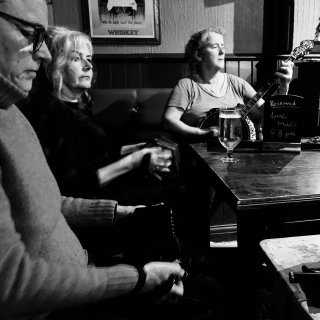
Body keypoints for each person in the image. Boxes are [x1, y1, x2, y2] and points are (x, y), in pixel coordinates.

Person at [0, 1, 217, 319]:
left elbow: (50, 202)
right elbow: (14, 286)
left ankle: (189, 262)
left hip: (86, 264)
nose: (43, 53)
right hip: (64, 298)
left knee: (205, 282)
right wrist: (137, 279)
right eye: (30, 33)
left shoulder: (12, 114)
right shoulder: (44, 110)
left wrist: (123, 213)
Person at [19, 26, 213, 262]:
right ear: (54, 65)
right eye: (76, 59)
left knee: (179, 178)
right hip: (92, 199)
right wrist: (134, 161)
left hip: (104, 184)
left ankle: (185, 257)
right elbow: (75, 185)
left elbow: (93, 154)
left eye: (89, 59)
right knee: (186, 189)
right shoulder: (49, 111)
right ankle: (190, 260)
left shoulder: (73, 105)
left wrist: (137, 150)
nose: (89, 66)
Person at [162, 27, 294, 142]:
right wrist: (203, 133)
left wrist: (284, 86)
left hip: (237, 157)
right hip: (199, 157)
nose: (222, 52)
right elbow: (169, 121)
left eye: (223, 46)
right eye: (215, 47)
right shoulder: (186, 86)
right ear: (198, 54)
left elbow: (268, 114)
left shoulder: (237, 83)